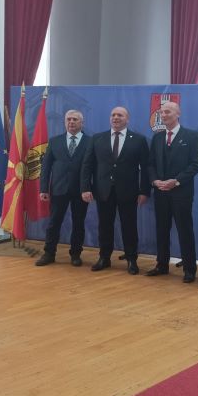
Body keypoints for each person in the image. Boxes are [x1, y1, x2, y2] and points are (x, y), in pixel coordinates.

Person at [81, 106, 150, 274]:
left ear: (127, 119)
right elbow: (87, 165)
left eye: (120, 115)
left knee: (129, 226)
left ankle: (132, 259)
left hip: (129, 191)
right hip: (103, 190)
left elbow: (146, 168)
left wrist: (144, 191)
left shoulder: (139, 140)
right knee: (104, 226)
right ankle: (104, 258)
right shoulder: (97, 138)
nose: (116, 117)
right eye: (113, 115)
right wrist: (85, 187)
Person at [145, 101, 198, 283]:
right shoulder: (157, 137)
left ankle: (189, 269)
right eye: (162, 112)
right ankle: (161, 265)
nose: (164, 115)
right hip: (161, 192)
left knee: (185, 231)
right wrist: (155, 181)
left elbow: (195, 164)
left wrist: (176, 181)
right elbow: (150, 164)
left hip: (181, 193)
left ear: (178, 114)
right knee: (161, 230)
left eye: (168, 112)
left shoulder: (192, 136)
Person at [35, 110, 90, 267]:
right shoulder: (55, 141)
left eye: (75, 119)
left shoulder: (90, 142)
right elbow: (46, 167)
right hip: (58, 189)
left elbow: (93, 167)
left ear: (82, 123)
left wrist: (89, 188)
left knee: (78, 223)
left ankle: (76, 254)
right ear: (65, 122)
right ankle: (49, 253)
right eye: (68, 119)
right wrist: (43, 189)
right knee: (54, 223)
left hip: (81, 190)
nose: (71, 122)